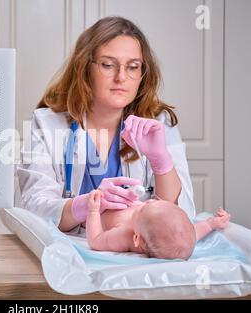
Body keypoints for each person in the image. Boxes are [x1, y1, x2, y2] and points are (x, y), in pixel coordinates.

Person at [17, 16, 195, 232]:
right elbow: (34, 208)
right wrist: (84, 206)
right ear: (85, 68)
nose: (121, 77)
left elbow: (180, 218)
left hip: (139, 256)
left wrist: (162, 162)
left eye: (132, 67)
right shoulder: (47, 124)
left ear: (142, 74)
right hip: (68, 251)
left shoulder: (158, 124)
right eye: (108, 65)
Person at [86, 190, 231, 259]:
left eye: (142, 208)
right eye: (156, 202)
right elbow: (192, 233)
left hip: (100, 209)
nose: (148, 201)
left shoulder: (124, 235)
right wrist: (212, 223)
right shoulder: (175, 237)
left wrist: (93, 211)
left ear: (137, 239)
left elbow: (96, 240)